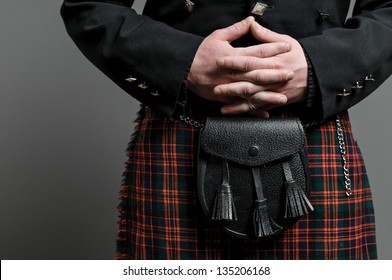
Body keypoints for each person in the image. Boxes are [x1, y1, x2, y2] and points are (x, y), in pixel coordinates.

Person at [60, 0, 392, 259]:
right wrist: (184, 61)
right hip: (182, 134)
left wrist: (318, 66)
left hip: (312, 132)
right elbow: (90, 6)